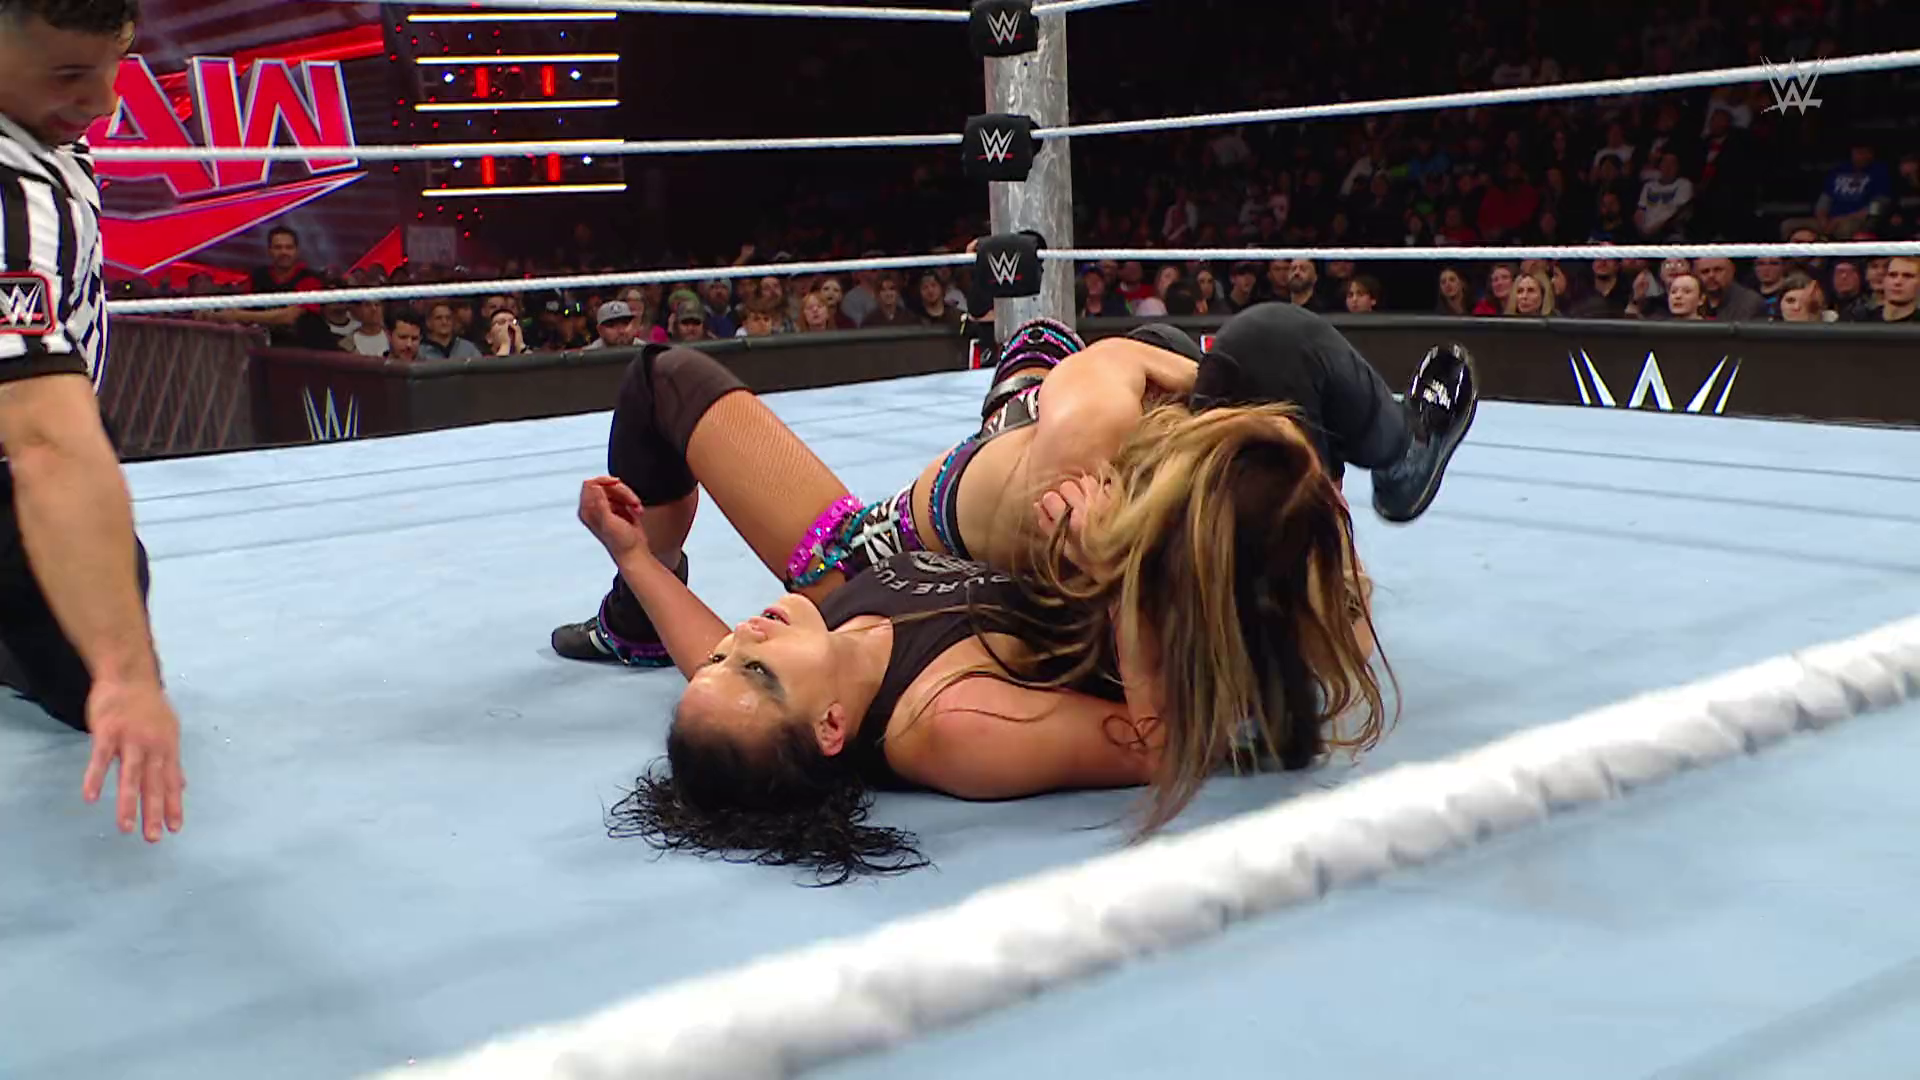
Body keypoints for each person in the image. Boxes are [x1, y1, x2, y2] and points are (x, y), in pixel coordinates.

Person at [0, 0, 186, 843]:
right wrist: (125, 672)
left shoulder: (38, 119)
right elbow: (42, 434)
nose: (105, 99)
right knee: (94, 678)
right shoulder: (11, 195)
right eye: (70, 74)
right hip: (13, 449)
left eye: (114, 62)